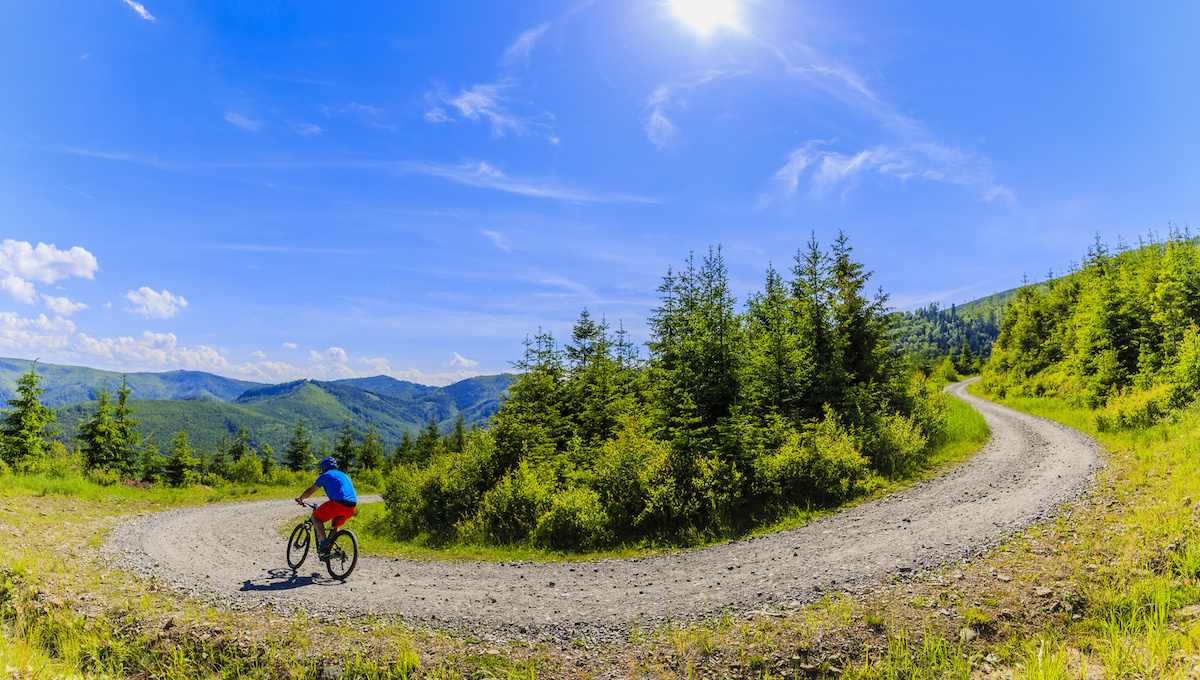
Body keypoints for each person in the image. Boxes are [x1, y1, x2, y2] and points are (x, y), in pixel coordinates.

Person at [295, 456, 357, 559]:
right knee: (335, 526)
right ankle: (327, 550)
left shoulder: (325, 475)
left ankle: (324, 541)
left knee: (315, 517)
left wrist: (301, 498)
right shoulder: (344, 474)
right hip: (352, 507)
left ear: (323, 468)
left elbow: (310, 490)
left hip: (338, 503)